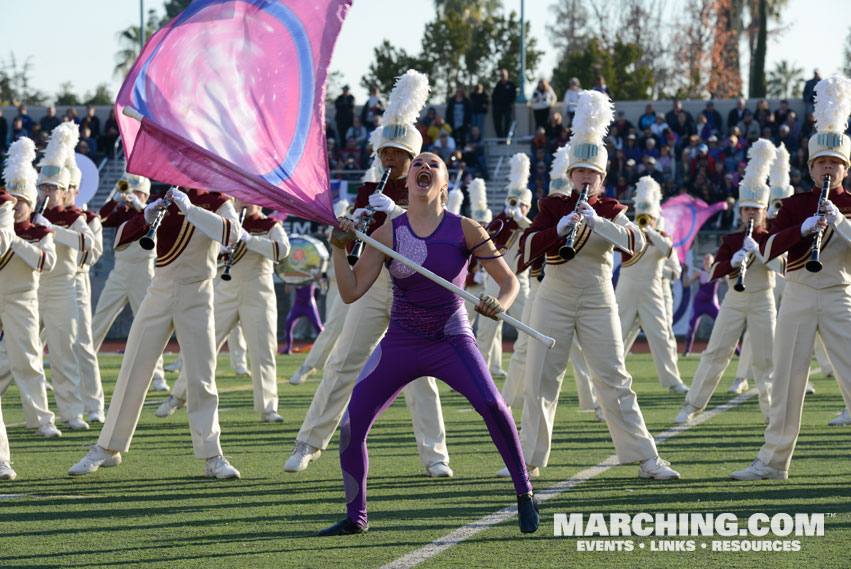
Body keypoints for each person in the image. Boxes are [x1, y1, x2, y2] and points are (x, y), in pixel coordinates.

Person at [318, 150, 539, 536]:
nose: (423, 167)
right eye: (417, 164)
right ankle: (356, 517)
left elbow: (510, 283)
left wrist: (499, 306)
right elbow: (351, 291)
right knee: (352, 425)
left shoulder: (466, 229)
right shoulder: (387, 234)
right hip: (401, 341)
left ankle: (525, 492)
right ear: (407, 183)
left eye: (433, 164)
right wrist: (339, 247)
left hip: (451, 338)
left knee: (492, 403)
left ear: (445, 184)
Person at [284, 71, 451, 478]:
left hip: (414, 290)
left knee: (421, 374)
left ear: (414, 160)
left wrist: (395, 212)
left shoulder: (430, 188)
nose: (390, 160)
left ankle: (435, 455)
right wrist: (352, 222)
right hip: (376, 283)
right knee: (343, 362)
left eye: (397, 154)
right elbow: (357, 235)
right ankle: (308, 442)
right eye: (385, 154)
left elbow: (430, 227)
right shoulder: (368, 190)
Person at [512, 90, 680, 481]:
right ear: (570, 175)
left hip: (597, 296)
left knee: (613, 377)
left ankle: (645, 458)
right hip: (553, 295)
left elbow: (636, 244)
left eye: (593, 174)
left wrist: (596, 222)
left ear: (601, 179)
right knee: (541, 377)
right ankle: (529, 459)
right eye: (580, 172)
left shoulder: (612, 209)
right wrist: (559, 228)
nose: (585, 178)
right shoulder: (552, 206)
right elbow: (524, 250)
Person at [68, 185, 242, 478]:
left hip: (198, 293)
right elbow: (121, 240)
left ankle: (213, 455)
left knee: (201, 377)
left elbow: (233, 234)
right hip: (159, 289)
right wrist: (146, 217)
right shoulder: (163, 196)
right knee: (134, 367)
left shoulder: (216, 200)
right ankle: (107, 447)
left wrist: (191, 210)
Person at [732, 75, 851, 480]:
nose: (828, 169)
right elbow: (765, 250)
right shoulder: (795, 204)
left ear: (845, 168)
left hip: (839, 293)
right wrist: (800, 230)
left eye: (835, 163)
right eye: (822, 163)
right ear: (812, 167)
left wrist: (840, 222)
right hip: (798, 294)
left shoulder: (850, 204)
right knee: (786, 382)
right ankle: (773, 461)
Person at [675, 139, 781, 424]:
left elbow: (782, 267)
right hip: (734, 299)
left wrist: (760, 251)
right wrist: (733, 261)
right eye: (746, 209)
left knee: (765, 359)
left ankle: (772, 414)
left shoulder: (771, 237)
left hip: (763, 298)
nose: (750, 214)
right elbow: (715, 272)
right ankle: (692, 405)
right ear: (741, 211)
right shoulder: (732, 239)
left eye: (755, 210)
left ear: (763, 211)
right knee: (715, 353)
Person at [157, 197, 290, 423]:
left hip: (259, 293)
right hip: (225, 290)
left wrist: (250, 240)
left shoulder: (270, 225)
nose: (244, 204)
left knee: (262, 351)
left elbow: (282, 251)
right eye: (240, 199)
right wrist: (221, 249)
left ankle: (268, 408)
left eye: (250, 199)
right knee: (203, 347)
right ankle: (178, 395)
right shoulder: (225, 222)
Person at [35, 122, 94, 431]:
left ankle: (72, 414)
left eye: (52, 188)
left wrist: (52, 229)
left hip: (61, 289)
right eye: (43, 187)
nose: (46, 192)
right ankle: (39, 417)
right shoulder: (29, 213)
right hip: (31, 290)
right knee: (14, 355)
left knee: (63, 355)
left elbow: (88, 245)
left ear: (64, 190)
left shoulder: (75, 218)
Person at [0, 138, 61, 439]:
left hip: (22, 299)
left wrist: (15, 239)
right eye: (12, 201)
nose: (17, 206)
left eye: (22, 201)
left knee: (27, 361)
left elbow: (47, 262)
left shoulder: (40, 231)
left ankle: (41, 420)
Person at [92, 174, 169, 392]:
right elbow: (99, 220)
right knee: (99, 320)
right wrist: (114, 201)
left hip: (144, 270)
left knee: (149, 325)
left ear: (145, 194)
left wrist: (142, 206)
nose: (132, 196)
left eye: (137, 192)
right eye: (131, 192)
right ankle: (82, 368)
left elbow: (156, 222)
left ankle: (157, 376)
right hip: (120, 269)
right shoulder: (123, 212)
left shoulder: (154, 210)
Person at [616, 176, 689, 393]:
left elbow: (669, 252)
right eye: (641, 217)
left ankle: (673, 381)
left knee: (662, 336)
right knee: (616, 337)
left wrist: (651, 232)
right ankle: (606, 382)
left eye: (649, 218)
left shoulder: (662, 238)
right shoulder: (629, 236)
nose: (644, 220)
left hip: (652, 292)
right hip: (626, 292)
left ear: (656, 219)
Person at [476, 153, 531, 380]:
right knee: (485, 333)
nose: (517, 207)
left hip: (519, 284)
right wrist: (507, 217)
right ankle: (478, 375)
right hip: (494, 283)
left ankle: (530, 371)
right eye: (514, 203)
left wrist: (520, 219)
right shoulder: (501, 221)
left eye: (522, 205)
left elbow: (535, 234)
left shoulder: (527, 224)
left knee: (528, 328)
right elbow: (485, 239)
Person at [290, 200, 353, 385]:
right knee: (333, 325)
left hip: (365, 278)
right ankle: (310, 366)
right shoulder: (341, 218)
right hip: (338, 282)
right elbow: (331, 235)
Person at [65, 149, 106, 424]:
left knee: (83, 344)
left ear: (75, 190)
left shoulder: (89, 219)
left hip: (74, 280)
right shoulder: (39, 216)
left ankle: (94, 405)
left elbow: (94, 253)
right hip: (41, 282)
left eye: (65, 188)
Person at [681, 253, 721, 356]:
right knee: (691, 327)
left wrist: (725, 277)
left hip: (712, 304)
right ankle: (687, 351)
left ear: (713, 261)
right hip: (699, 304)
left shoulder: (718, 272)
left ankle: (737, 351)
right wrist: (685, 272)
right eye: (705, 258)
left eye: (709, 258)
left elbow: (728, 280)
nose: (706, 259)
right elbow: (686, 284)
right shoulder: (698, 273)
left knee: (724, 325)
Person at [492, 69, 517, 138]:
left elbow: (514, 95)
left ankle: (505, 135)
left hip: (507, 106)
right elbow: (494, 96)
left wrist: (509, 101)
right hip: (498, 106)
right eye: (501, 75)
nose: (502, 76)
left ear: (507, 75)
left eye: (503, 75)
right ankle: (499, 137)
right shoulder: (498, 84)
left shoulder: (511, 84)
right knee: (497, 121)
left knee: (508, 119)